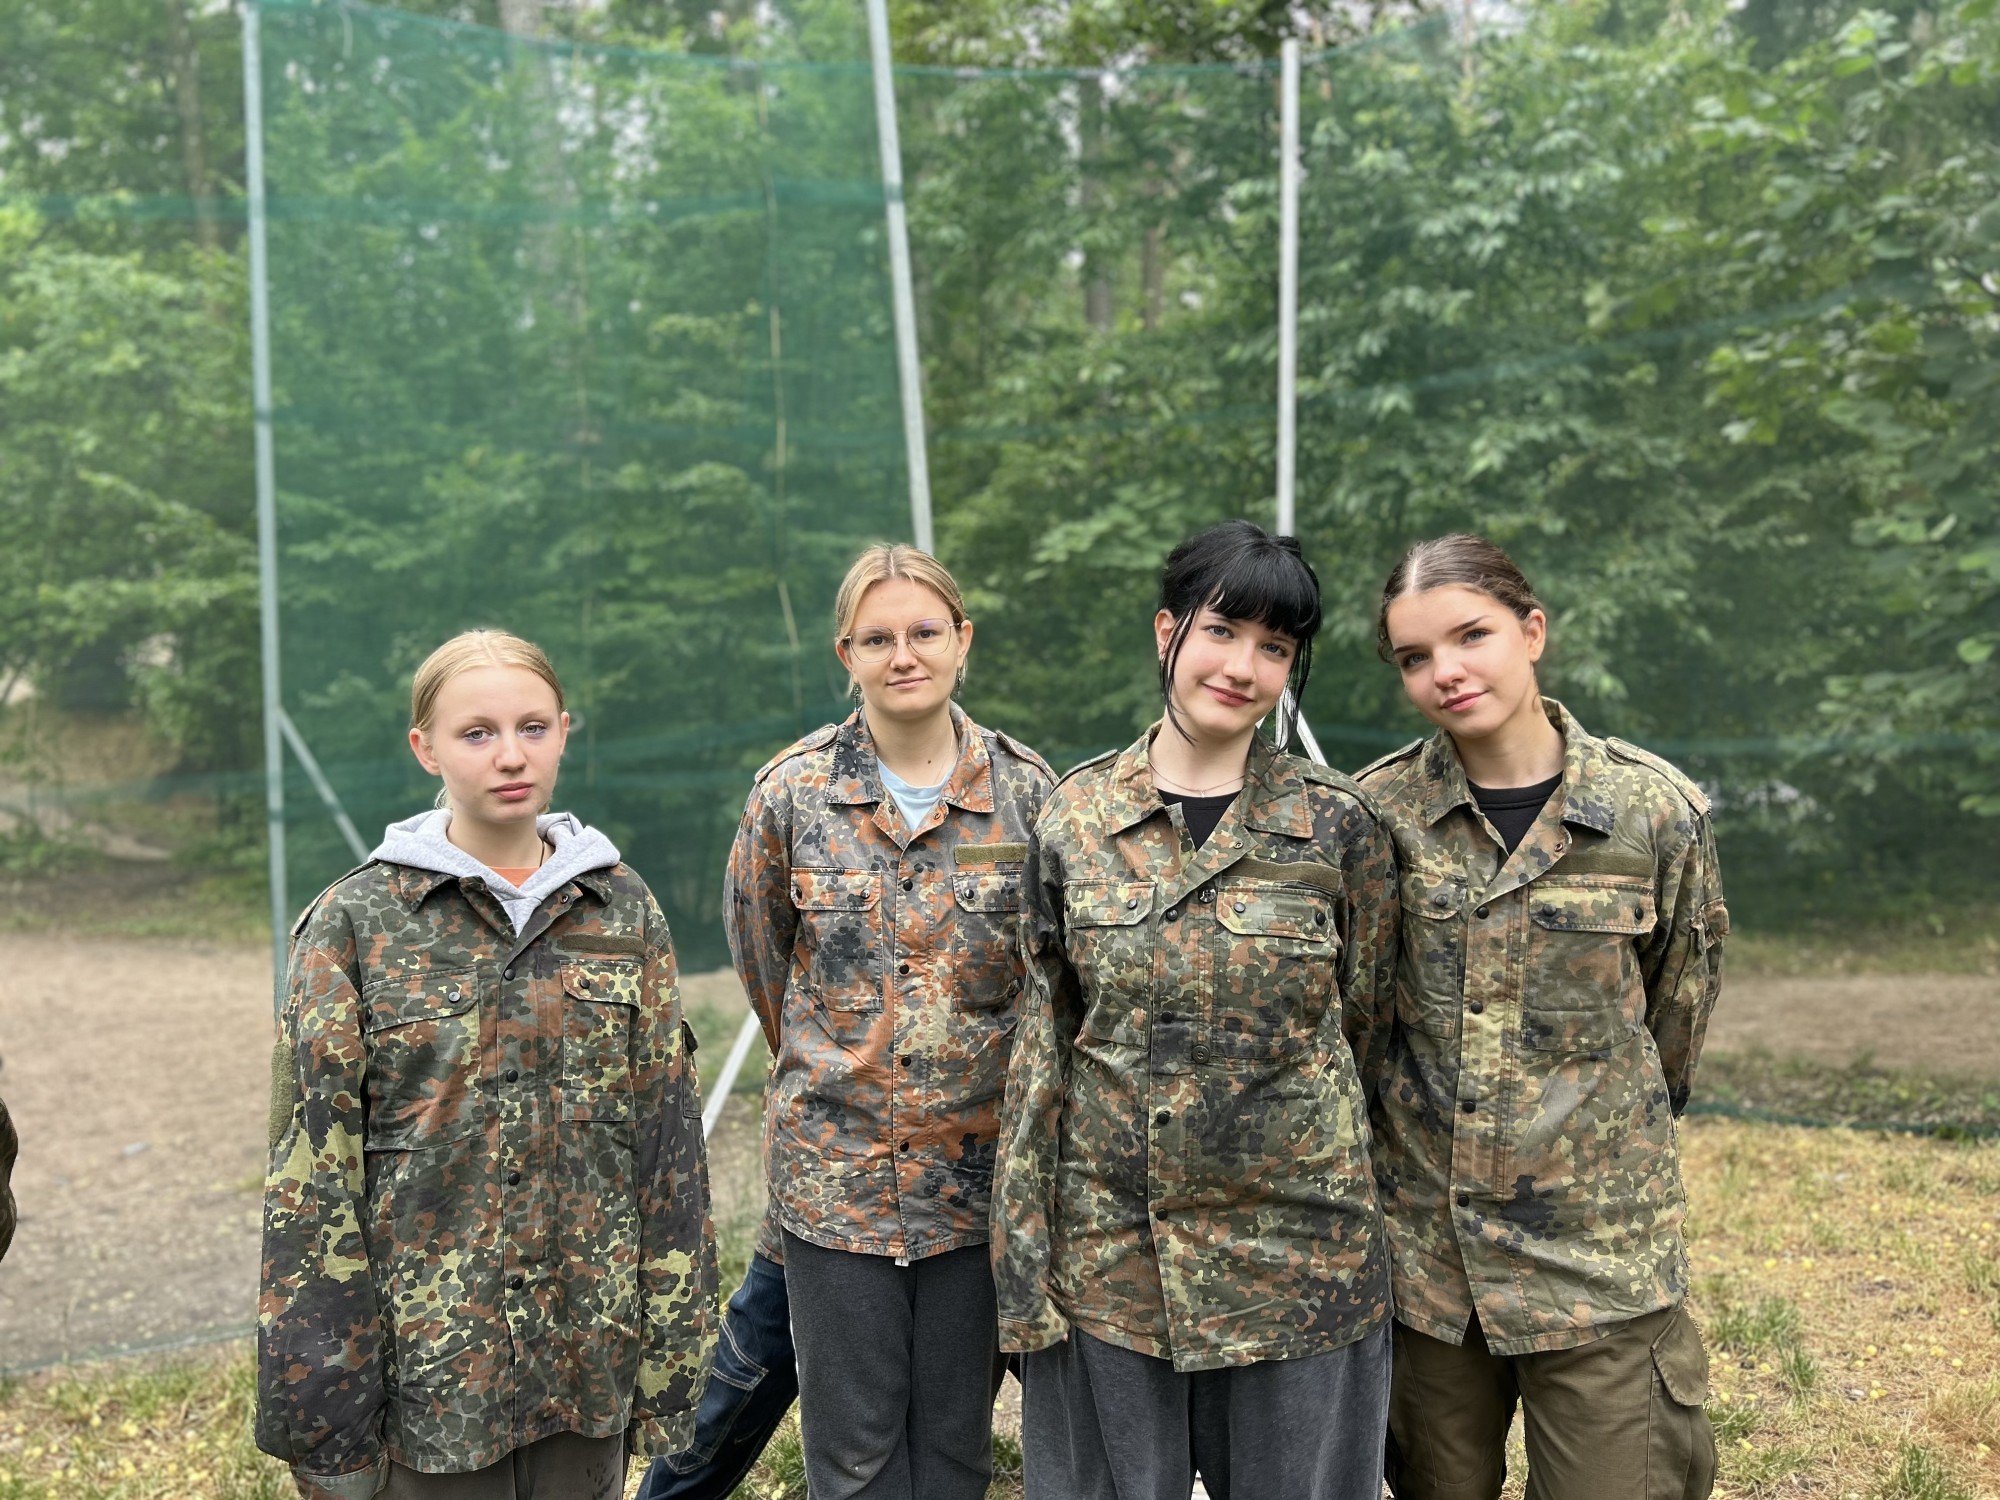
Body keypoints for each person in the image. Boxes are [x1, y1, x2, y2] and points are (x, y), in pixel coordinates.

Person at [256, 629, 718, 1500]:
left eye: (533, 727)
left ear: (564, 732)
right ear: (424, 747)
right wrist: (327, 1417)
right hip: (429, 1385)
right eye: (477, 733)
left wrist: (671, 1363)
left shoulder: (623, 908)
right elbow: (312, 1188)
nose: (511, 755)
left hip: (588, 1365)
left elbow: (668, 1152)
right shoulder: (354, 924)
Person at [992, 520, 1401, 1500]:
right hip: (1112, 1265)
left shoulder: (1339, 827)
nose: (1242, 667)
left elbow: (1370, 1029)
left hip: (1299, 1265)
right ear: (1166, 631)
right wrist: (1022, 1258)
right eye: (1221, 631)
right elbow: (1045, 1047)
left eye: (1275, 647)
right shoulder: (1074, 820)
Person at [1358, 534, 1727, 1500]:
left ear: (1532, 631)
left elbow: (1676, 1021)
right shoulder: (1378, 816)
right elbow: (1360, 1028)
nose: (1445, 671)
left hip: (1598, 1262)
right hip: (1431, 1270)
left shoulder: (1653, 813)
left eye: (1470, 636)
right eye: (1414, 657)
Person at [719, 543, 1053, 1500]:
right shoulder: (791, 794)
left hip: (975, 1188)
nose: (903, 655)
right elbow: (765, 967)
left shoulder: (1028, 794)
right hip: (839, 1186)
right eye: (877, 639)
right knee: (853, 1455)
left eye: (924, 632)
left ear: (963, 641)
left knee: (954, 1448)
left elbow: (1048, 976)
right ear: (847, 655)